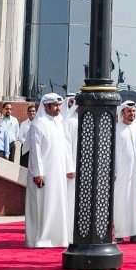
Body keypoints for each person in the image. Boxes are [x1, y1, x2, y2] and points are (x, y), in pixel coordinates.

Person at [25, 93, 74, 248]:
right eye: (55, 105)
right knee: (43, 205)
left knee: (58, 203)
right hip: (44, 174)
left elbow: (65, 147)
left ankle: (58, 238)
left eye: (59, 105)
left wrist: (69, 167)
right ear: (45, 106)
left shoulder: (59, 122)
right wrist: (38, 173)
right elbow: (35, 151)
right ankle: (41, 239)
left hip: (59, 173)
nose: (58, 108)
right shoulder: (38, 124)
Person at [114, 100, 136, 244]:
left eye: (134, 111)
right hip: (121, 173)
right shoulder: (116, 129)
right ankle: (120, 233)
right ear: (122, 113)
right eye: (129, 111)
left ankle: (135, 233)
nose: (132, 114)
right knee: (121, 201)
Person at [62, 96, 79, 241]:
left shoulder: (83, 119)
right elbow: (66, 148)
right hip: (71, 169)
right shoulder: (68, 122)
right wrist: (70, 166)